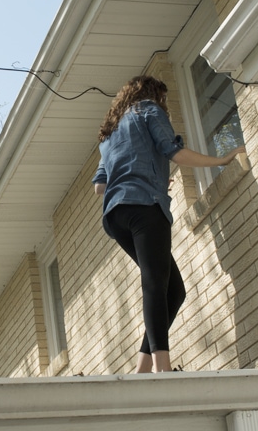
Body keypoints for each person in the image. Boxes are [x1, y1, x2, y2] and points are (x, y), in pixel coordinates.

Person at [92, 75, 245, 373]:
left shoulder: (110, 134)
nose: (164, 104)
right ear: (154, 94)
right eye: (163, 98)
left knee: (173, 290)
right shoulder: (150, 109)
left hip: (116, 214)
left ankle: (143, 367)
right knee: (155, 282)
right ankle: (163, 368)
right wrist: (222, 160)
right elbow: (173, 151)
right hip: (145, 206)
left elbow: (100, 186)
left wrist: (153, 176)